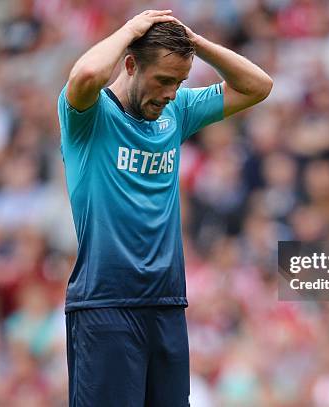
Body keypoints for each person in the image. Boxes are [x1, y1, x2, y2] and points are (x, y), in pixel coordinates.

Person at [57, 9, 272, 407]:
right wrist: (129, 30)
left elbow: (258, 86)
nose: (172, 92)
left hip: (167, 304)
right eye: (163, 80)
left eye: (179, 82)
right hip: (105, 305)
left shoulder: (176, 112)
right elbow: (86, 75)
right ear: (130, 63)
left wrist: (195, 42)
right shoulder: (90, 117)